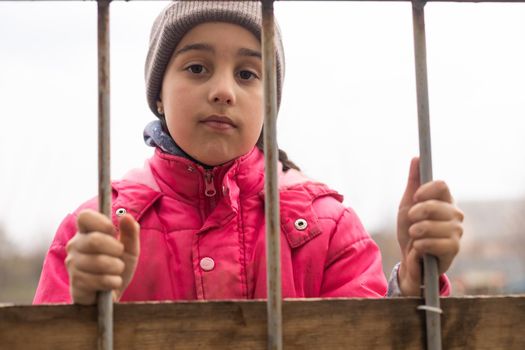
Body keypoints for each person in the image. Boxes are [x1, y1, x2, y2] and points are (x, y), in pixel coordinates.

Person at [33, 1, 463, 305]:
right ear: (158, 95)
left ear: (269, 104)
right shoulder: (96, 231)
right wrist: (82, 305)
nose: (223, 91)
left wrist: (412, 281)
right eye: (196, 67)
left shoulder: (328, 228)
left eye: (247, 73)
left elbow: (372, 338)